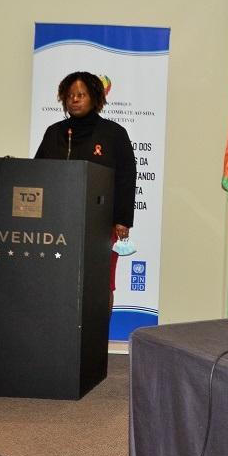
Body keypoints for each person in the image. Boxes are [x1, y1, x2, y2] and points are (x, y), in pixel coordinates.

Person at [34, 71, 136, 306]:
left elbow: (126, 177)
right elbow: (38, 174)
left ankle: (98, 328)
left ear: (95, 98)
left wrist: (122, 220)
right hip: (57, 224)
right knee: (59, 280)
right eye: (70, 95)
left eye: (81, 95)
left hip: (101, 224)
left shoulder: (114, 134)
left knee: (101, 282)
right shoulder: (55, 133)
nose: (74, 99)